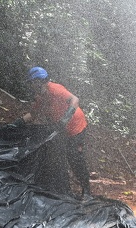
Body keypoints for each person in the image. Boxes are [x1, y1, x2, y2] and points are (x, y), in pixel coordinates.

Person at [22, 66, 91, 197]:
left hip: (76, 128)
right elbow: (33, 114)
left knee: (75, 158)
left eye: (32, 82)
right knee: (56, 156)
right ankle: (61, 187)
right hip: (61, 129)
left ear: (39, 81)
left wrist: (65, 119)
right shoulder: (41, 97)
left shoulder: (55, 89)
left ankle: (86, 191)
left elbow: (75, 100)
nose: (30, 85)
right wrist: (16, 124)